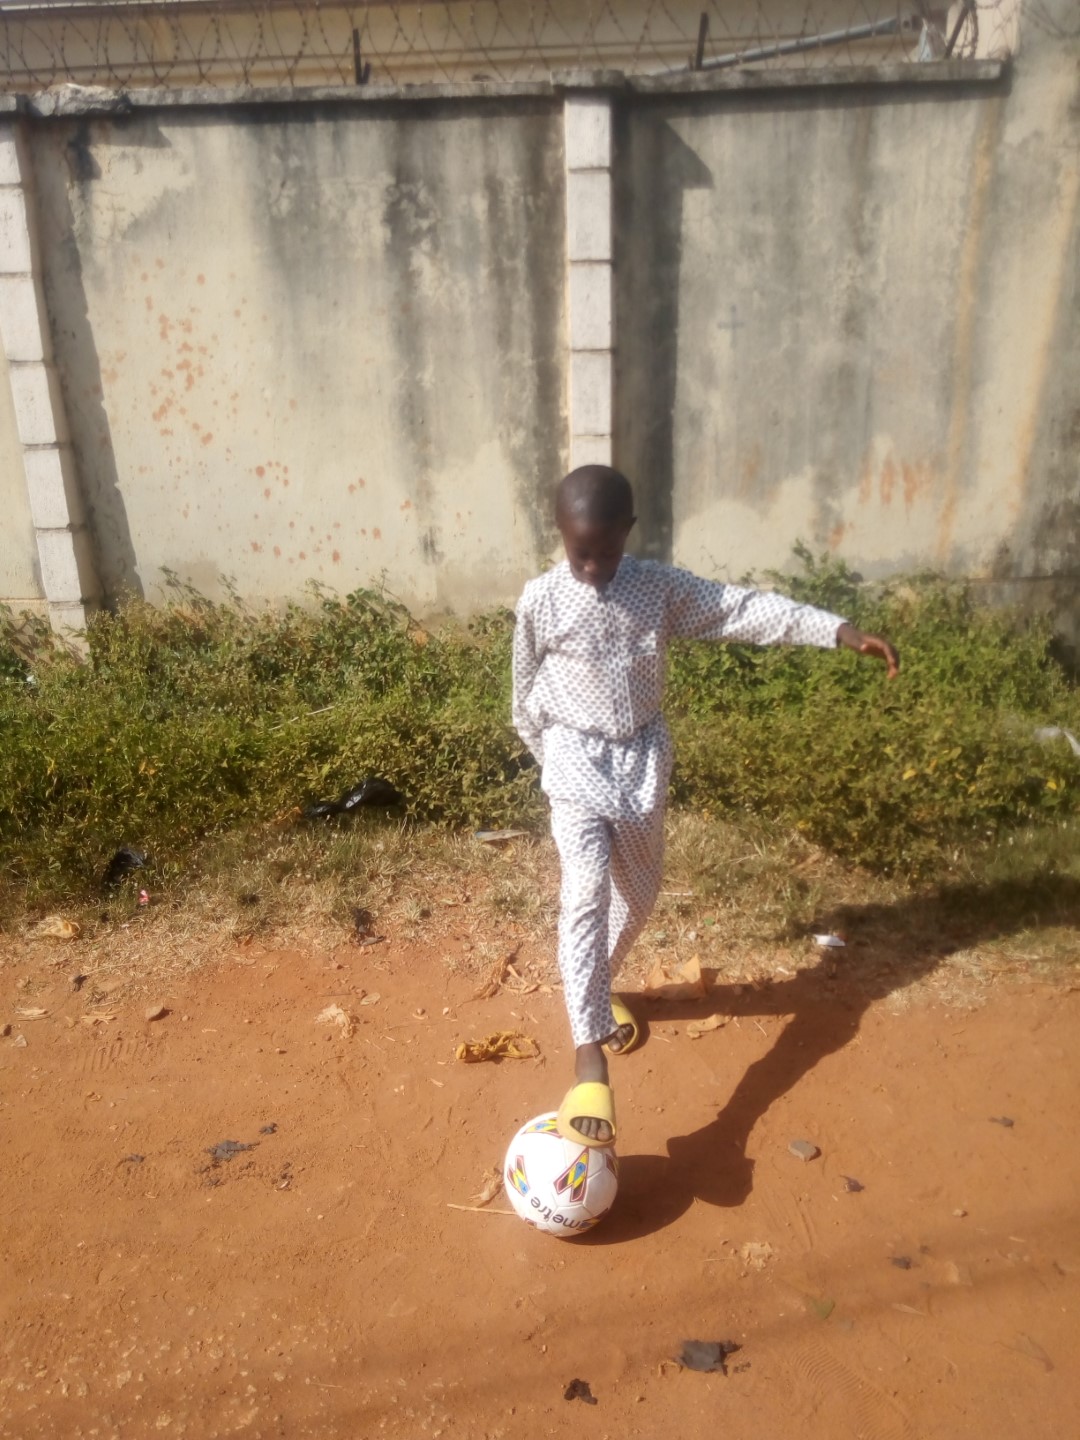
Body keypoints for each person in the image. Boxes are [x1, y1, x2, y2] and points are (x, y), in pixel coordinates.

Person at [512, 465, 899, 1148]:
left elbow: (741, 609)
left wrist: (837, 629)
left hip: (640, 760)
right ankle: (588, 1057)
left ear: (629, 532)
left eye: (606, 550)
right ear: (561, 536)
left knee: (639, 894)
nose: (593, 566)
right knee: (584, 892)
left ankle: (593, 989)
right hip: (573, 757)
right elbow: (523, 695)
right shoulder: (541, 599)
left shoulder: (658, 588)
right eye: (580, 552)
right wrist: (554, 763)